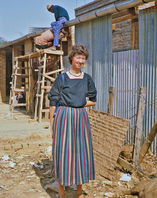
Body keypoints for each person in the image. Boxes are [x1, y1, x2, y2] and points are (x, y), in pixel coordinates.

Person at [48, 44, 97, 198]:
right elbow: (52, 103)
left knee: (81, 152)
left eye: (83, 58)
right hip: (63, 117)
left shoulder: (87, 79)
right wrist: (52, 125)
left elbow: (93, 101)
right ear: (72, 59)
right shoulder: (61, 78)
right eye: (78, 57)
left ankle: (79, 191)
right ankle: (61, 191)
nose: (80, 61)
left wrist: (79, 103)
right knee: (63, 152)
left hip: (80, 118)